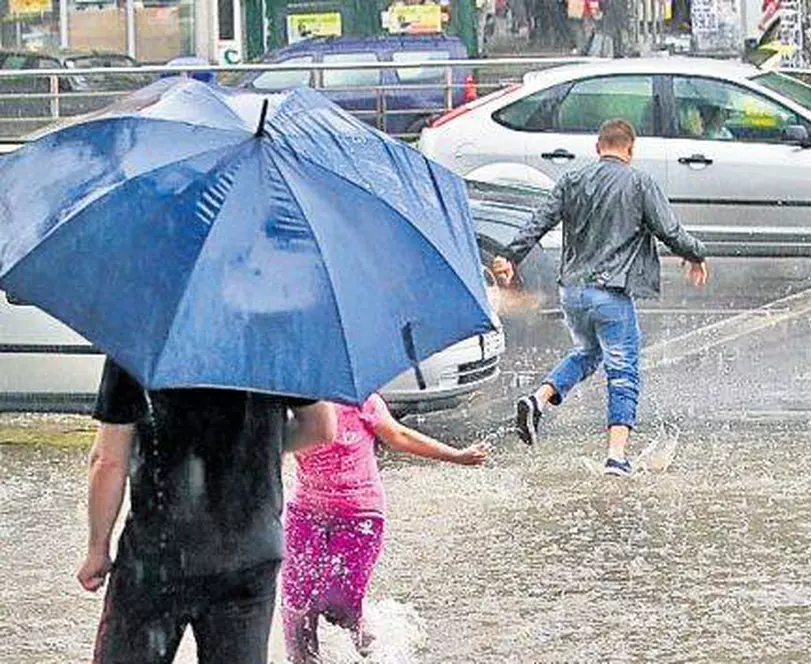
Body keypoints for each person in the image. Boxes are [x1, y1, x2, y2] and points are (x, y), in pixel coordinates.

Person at [77, 358, 337, 664]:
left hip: (158, 556)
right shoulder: (275, 341)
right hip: (250, 555)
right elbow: (322, 428)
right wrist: (255, 452)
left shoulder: (142, 343)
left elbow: (108, 462)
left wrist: (97, 548)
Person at [491, 118, 709, 476]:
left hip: (573, 293)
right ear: (630, 149)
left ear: (597, 147)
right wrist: (696, 253)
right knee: (623, 370)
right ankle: (616, 457)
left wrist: (511, 256)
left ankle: (538, 400)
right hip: (610, 292)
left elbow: (539, 221)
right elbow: (669, 230)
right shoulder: (639, 182)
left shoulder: (572, 180)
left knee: (588, 353)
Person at [282, 393, 488, 663]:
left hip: (359, 514)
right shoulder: (288, 404)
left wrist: (456, 456)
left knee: (337, 605)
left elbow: (399, 436)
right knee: (295, 602)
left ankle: (369, 643)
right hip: (305, 512)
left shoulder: (360, 401)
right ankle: (302, 660)